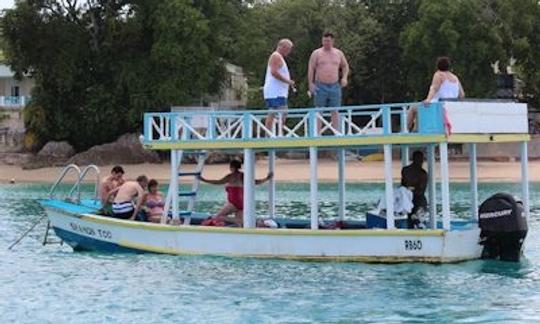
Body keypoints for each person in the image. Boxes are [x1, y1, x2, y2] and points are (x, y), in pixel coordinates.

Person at [199, 160, 273, 227]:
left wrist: (204, 180)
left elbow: (217, 182)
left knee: (219, 217)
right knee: (239, 224)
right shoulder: (243, 176)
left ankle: (246, 221)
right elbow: (256, 182)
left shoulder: (231, 176)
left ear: (232, 167)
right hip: (242, 202)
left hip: (235, 202)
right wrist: (267, 178)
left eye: (230, 167)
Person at [407, 56, 465, 131]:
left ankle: (409, 129)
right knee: (420, 110)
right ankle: (416, 129)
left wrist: (428, 99)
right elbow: (462, 94)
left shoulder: (439, 75)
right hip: (451, 107)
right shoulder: (455, 78)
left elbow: (434, 88)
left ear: (437, 66)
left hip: (437, 106)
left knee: (413, 108)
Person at [308, 32, 349, 131]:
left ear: (332, 41)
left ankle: (336, 133)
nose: (326, 43)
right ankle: (317, 135)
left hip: (335, 85)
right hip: (320, 85)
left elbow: (345, 66)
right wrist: (311, 83)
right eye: (324, 41)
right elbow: (311, 68)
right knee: (319, 110)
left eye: (328, 41)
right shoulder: (317, 53)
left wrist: (344, 77)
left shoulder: (338, 53)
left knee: (335, 110)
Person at [263, 38, 295, 135]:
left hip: (279, 92)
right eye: (288, 49)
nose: (289, 51)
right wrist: (288, 81)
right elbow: (274, 72)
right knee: (279, 111)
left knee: (278, 112)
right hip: (275, 92)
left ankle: (273, 134)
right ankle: (273, 134)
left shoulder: (279, 57)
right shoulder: (276, 56)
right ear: (282, 47)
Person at [401, 151, 428, 228]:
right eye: (421, 160)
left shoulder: (405, 170)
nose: (422, 162)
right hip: (417, 200)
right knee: (417, 222)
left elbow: (403, 185)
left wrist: (408, 189)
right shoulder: (422, 173)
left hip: (409, 200)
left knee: (413, 221)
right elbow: (421, 191)